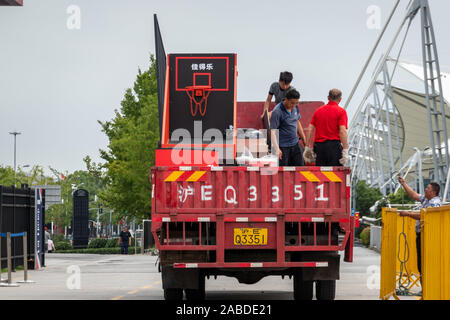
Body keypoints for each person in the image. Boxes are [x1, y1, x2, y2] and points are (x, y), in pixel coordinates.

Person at [397, 177, 441, 276]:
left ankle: (427, 289)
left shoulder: (434, 203)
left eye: (428, 188)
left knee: (425, 264)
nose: (425, 189)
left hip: (428, 237)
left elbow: (425, 216)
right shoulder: (426, 199)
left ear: (433, 192)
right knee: (420, 263)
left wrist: (408, 214)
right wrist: (403, 183)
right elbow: (413, 194)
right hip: (421, 236)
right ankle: (424, 289)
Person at [303, 89, 348, 166]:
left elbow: (309, 129)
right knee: (335, 175)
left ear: (328, 98)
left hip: (319, 148)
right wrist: (345, 149)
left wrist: (307, 147)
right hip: (334, 148)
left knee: (321, 174)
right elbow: (342, 131)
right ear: (340, 99)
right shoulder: (341, 112)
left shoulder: (318, 111)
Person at [270, 88, 306, 166]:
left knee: (301, 168)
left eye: (296, 103)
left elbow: (297, 122)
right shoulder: (277, 112)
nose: (293, 105)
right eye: (292, 103)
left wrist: (304, 140)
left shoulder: (295, 107)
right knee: (284, 172)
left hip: (295, 144)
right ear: (286, 99)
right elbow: (272, 131)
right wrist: (276, 149)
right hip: (283, 147)